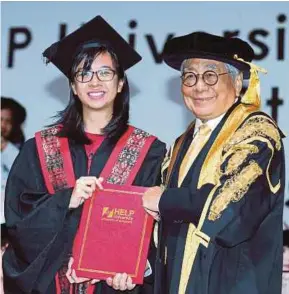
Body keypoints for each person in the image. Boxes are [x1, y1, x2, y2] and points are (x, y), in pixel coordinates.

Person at [3, 15, 166, 294]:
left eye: (105, 72)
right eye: (83, 73)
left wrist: (141, 269)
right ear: (73, 86)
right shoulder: (39, 149)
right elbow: (18, 225)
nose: (94, 81)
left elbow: (159, 234)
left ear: (120, 83)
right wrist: (66, 200)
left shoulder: (150, 151)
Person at [142, 32, 285, 294]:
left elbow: (233, 206)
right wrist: (139, 266)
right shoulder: (179, 145)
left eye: (210, 75)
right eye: (189, 76)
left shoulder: (256, 133)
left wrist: (165, 201)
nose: (199, 86)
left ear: (238, 81)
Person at [1, 97, 26, 247]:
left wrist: (4, 146)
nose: (3, 125)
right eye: (0, 119)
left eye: (8, 121)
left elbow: (20, 173)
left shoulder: (16, 150)